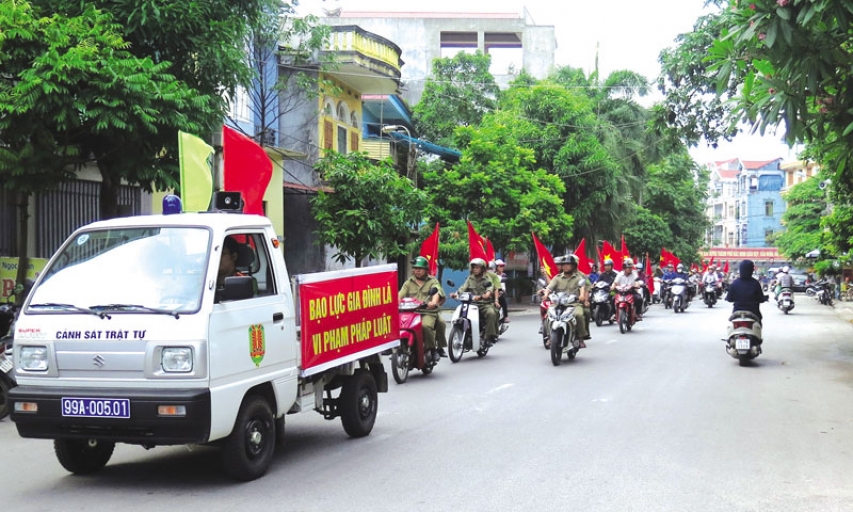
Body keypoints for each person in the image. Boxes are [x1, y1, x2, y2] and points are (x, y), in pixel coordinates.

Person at [399, 256, 447, 362]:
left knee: (425, 326)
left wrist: (433, 302)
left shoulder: (432, 281)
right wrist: (395, 303)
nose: (417, 270)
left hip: (427, 312)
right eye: (415, 268)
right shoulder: (409, 282)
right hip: (411, 312)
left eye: (420, 268)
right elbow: (400, 295)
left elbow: (437, 292)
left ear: (426, 270)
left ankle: (432, 349)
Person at [540, 254, 591, 348]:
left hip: (574, 304)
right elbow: (549, 287)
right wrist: (546, 294)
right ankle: (549, 337)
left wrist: (582, 296)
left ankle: (580, 338)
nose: (566, 266)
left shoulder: (578, 277)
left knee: (579, 315)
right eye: (564, 264)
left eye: (568, 264)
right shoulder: (557, 277)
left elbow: (582, 288)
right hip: (558, 303)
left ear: (573, 266)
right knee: (548, 315)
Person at [450, 258, 499, 346]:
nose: (475, 269)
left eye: (478, 267)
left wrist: (485, 295)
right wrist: (456, 293)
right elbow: (463, 288)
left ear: (483, 269)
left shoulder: (487, 279)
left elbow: (490, 289)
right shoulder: (470, 278)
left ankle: (489, 336)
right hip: (471, 304)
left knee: (491, 313)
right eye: (474, 267)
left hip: (484, 304)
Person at [494, 259, 510, 323]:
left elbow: (503, 286)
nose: (502, 267)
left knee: (503, 302)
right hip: (493, 292)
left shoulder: (504, 275)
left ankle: (505, 316)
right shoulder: (493, 275)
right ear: (496, 267)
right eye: (500, 266)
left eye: (503, 266)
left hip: (501, 292)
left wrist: (500, 293)